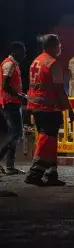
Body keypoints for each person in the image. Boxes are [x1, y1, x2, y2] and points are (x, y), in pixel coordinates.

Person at [25, 34, 74, 187]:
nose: (60, 47)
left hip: (36, 107)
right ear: (52, 46)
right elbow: (60, 90)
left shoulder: (36, 61)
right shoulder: (53, 64)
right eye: (58, 45)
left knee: (50, 141)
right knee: (47, 140)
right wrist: (69, 109)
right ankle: (35, 173)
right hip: (49, 108)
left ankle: (52, 174)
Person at [0, 41, 27, 176]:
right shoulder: (9, 64)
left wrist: (20, 95)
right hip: (9, 103)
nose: (24, 54)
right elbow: (4, 85)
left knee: (15, 134)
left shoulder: (14, 64)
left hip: (13, 102)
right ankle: (7, 164)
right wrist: (18, 96)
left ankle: (10, 166)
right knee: (14, 134)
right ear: (16, 51)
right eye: (23, 51)